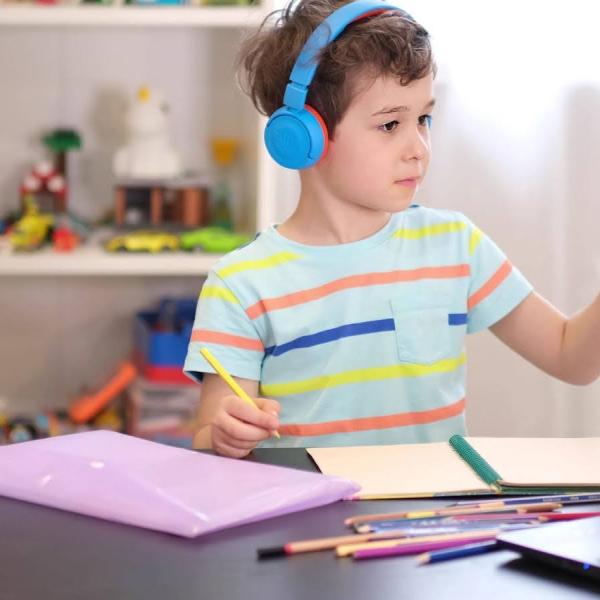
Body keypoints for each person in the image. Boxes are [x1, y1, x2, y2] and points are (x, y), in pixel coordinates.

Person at [183, 0, 600, 458]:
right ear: (304, 136)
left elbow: (570, 357)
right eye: (390, 124)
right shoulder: (241, 285)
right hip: (316, 524)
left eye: (423, 118)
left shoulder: (453, 244)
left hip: (436, 522)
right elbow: (211, 432)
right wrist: (224, 434)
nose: (418, 147)